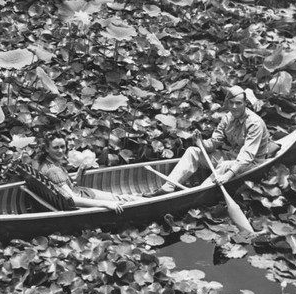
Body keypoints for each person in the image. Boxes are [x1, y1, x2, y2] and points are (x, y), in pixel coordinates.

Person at [144, 85, 276, 197]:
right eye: (231, 103)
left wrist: (228, 175)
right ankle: (168, 187)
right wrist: (201, 143)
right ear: (228, 103)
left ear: (245, 104)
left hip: (252, 162)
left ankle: (199, 194)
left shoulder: (255, 123)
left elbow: (247, 155)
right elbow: (214, 143)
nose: (234, 107)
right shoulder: (227, 118)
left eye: (239, 103)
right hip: (233, 155)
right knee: (192, 152)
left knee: (224, 166)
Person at [35, 131, 137, 214]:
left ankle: (142, 197)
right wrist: (104, 204)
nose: (61, 151)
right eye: (56, 147)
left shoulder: (46, 163)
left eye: (62, 146)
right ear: (47, 149)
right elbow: (72, 200)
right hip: (81, 197)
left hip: (80, 192)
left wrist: (77, 176)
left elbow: (63, 187)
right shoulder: (54, 171)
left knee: (122, 197)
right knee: (123, 199)